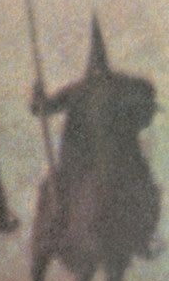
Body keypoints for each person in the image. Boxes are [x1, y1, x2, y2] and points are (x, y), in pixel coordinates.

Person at [31, 14, 160, 257]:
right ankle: (145, 236)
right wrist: (38, 100)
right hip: (101, 158)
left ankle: (54, 232)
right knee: (146, 186)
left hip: (89, 159)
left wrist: (38, 98)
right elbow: (147, 98)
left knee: (55, 188)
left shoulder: (84, 88)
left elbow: (43, 109)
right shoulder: (117, 85)